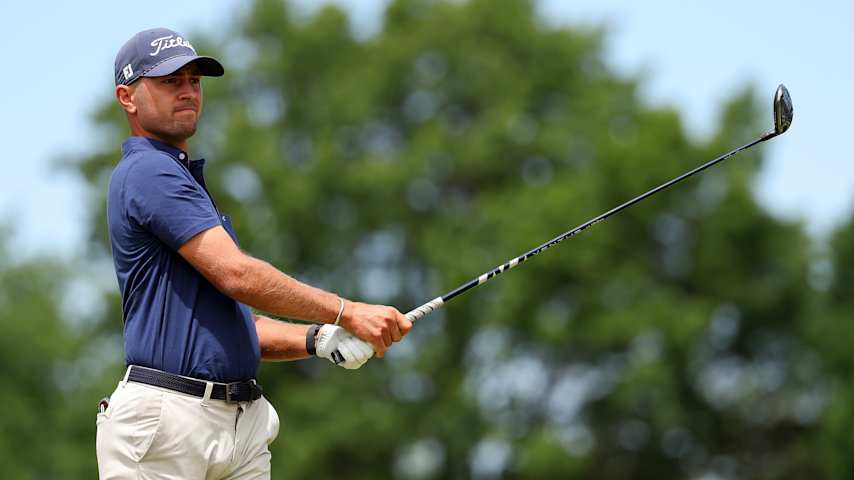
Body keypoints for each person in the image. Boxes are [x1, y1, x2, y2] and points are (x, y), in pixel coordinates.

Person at [96, 27, 413, 479]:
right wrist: (348, 311)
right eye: (169, 81)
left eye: (194, 80)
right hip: (167, 421)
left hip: (237, 426)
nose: (188, 91)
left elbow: (233, 326)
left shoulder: (179, 179)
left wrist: (318, 338)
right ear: (127, 98)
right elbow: (239, 276)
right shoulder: (148, 170)